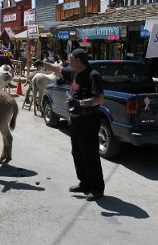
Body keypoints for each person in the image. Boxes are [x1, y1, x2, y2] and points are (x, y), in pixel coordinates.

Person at [33, 48, 105, 201]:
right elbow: (58, 69)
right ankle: (84, 183)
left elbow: (99, 99)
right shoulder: (75, 73)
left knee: (89, 154)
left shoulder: (93, 75)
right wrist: (43, 63)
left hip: (89, 120)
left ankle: (97, 189)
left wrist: (80, 103)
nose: (68, 62)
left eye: (71, 59)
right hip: (76, 119)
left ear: (79, 61)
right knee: (77, 153)